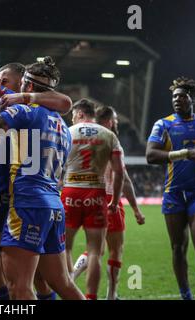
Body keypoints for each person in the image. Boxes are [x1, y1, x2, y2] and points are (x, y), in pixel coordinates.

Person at [0, 57, 84, 300]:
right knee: (62, 282)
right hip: (54, 205)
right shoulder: (62, 125)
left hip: (27, 203)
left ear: (28, 86)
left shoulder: (24, 110)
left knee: (19, 287)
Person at [71, 106, 145, 300]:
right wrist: (136, 209)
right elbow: (124, 178)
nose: (117, 124)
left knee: (95, 249)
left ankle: (67, 281)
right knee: (115, 248)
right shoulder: (109, 139)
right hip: (109, 197)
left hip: (84, 194)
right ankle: (111, 295)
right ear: (110, 121)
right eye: (116, 121)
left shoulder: (85, 138)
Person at [146, 77, 195, 300]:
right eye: (174, 96)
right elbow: (150, 155)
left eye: (182, 96)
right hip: (173, 192)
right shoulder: (163, 124)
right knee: (177, 247)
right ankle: (186, 295)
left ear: (192, 98)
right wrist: (184, 154)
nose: (177, 100)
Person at [62, 99, 124, 300]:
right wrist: (114, 201)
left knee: (66, 247)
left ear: (79, 114)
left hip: (71, 190)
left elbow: (55, 163)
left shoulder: (67, 132)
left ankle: (69, 293)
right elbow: (119, 172)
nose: (72, 118)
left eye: (73, 114)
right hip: (96, 194)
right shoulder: (108, 135)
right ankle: (91, 297)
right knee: (95, 252)